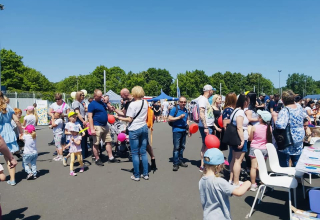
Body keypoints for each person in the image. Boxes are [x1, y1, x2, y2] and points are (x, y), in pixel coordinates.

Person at [199, 148, 251, 220]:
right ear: (219, 166)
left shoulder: (202, 180)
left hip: (207, 216)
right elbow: (239, 192)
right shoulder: (219, 181)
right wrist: (248, 183)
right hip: (220, 217)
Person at [116, 88, 156, 170]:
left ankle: (148, 161)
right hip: (140, 126)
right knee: (140, 148)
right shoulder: (131, 103)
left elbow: (128, 117)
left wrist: (118, 117)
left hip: (135, 127)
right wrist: (114, 110)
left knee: (142, 147)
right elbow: (124, 113)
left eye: (121, 95)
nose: (121, 97)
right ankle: (144, 168)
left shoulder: (134, 103)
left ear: (125, 94)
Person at [275, 90, 307, 167]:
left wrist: (275, 118)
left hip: (288, 140)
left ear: (282, 100)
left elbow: (281, 125)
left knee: (284, 162)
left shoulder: (285, 111)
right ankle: (297, 178)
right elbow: (304, 117)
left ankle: (285, 177)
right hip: (299, 139)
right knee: (297, 162)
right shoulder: (299, 107)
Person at [88, 89, 119, 166]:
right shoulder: (92, 104)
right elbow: (90, 117)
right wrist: (92, 128)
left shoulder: (102, 103)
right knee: (96, 143)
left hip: (105, 125)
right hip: (97, 125)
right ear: (95, 96)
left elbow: (110, 109)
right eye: (99, 96)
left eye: (102, 95)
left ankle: (111, 157)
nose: (101, 97)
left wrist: (107, 103)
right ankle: (97, 158)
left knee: (108, 141)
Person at [0, 92, 23, 186]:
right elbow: (17, 120)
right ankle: (12, 179)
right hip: (9, 133)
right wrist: (21, 131)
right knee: (9, 157)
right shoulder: (8, 107)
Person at [248, 110, 272, 191]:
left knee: (253, 167)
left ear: (261, 119)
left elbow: (250, 138)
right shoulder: (269, 128)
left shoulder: (255, 127)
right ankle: (262, 182)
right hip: (264, 148)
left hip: (255, 147)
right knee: (262, 166)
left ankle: (253, 184)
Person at [229, 94, 249, 186]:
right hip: (240, 137)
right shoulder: (240, 112)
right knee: (238, 160)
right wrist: (242, 140)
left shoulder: (235, 110)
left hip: (233, 137)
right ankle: (236, 181)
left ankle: (232, 179)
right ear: (245, 102)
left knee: (234, 158)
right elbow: (239, 127)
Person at [168, 96, 190, 171]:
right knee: (176, 147)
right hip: (176, 130)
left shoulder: (186, 110)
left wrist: (188, 127)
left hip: (184, 130)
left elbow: (187, 119)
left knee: (182, 146)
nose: (183, 103)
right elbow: (169, 118)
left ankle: (180, 160)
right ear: (179, 102)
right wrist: (179, 117)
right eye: (181, 102)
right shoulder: (175, 109)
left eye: (184, 102)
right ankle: (175, 163)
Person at [198, 85, 215, 172]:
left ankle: (204, 165)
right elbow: (201, 113)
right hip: (206, 126)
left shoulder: (206, 100)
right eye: (212, 90)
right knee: (207, 146)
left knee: (206, 145)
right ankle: (204, 165)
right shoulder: (202, 100)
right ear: (209, 91)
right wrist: (205, 127)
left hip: (209, 125)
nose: (213, 92)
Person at [244, 92, 259, 173]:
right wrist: (259, 119)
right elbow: (249, 119)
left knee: (252, 147)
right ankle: (249, 166)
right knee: (249, 147)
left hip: (255, 129)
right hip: (250, 128)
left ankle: (251, 165)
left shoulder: (253, 107)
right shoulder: (249, 109)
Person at [222, 92, 237, 165]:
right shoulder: (228, 110)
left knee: (233, 151)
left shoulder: (232, 109)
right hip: (231, 132)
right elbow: (225, 122)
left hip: (233, 131)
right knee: (232, 151)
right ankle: (231, 167)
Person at [72, 91, 88, 159]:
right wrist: (83, 121)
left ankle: (83, 154)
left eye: (84, 95)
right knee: (79, 138)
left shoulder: (81, 103)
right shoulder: (76, 103)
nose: (83, 96)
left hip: (83, 120)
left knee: (84, 138)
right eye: (82, 95)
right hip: (79, 121)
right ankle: (79, 155)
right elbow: (77, 113)